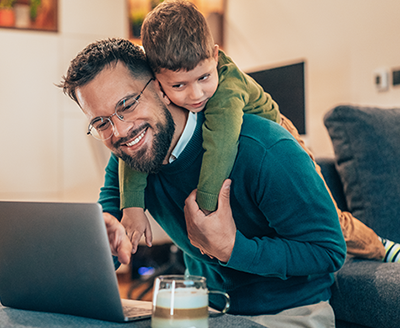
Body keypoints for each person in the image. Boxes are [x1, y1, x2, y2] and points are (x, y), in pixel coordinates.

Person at [60, 37, 346, 327]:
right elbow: (108, 232)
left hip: (286, 312)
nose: (120, 130)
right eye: (101, 123)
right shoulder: (128, 160)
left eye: (128, 104)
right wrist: (103, 242)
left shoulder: (264, 148)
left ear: (160, 88)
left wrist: (232, 247)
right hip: (200, 308)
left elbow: (328, 251)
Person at [119, 0, 400, 262]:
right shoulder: (157, 99)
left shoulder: (226, 91)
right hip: (246, 160)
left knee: (330, 217)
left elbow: (221, 144)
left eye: (204, 77)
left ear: (215, 56)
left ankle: (381, 246)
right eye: (179, 85)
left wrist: (205, 209)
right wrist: (131, 206)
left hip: (281, 142)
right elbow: (138, 146)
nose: (196, 94)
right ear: (156, 80)